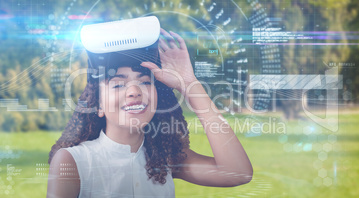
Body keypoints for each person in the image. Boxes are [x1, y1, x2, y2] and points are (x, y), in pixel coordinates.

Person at [47, 27, 253, 197]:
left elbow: (238, 173)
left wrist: (189, 84)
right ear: (98, 105)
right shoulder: (73, 160)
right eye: (118, 85)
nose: (134, 91)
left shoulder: (166, 158)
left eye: (145, 82)